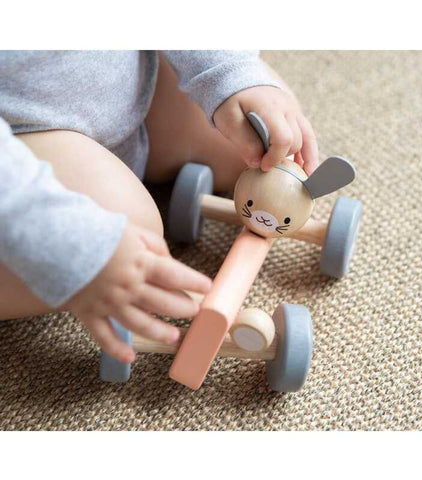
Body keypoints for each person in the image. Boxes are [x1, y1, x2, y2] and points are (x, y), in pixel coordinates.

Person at [0, 50, 319, 364]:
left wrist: (230, 72)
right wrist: (63, 236)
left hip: (122, 76)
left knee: (267, 135)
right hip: (20, 143)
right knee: (134, 228)